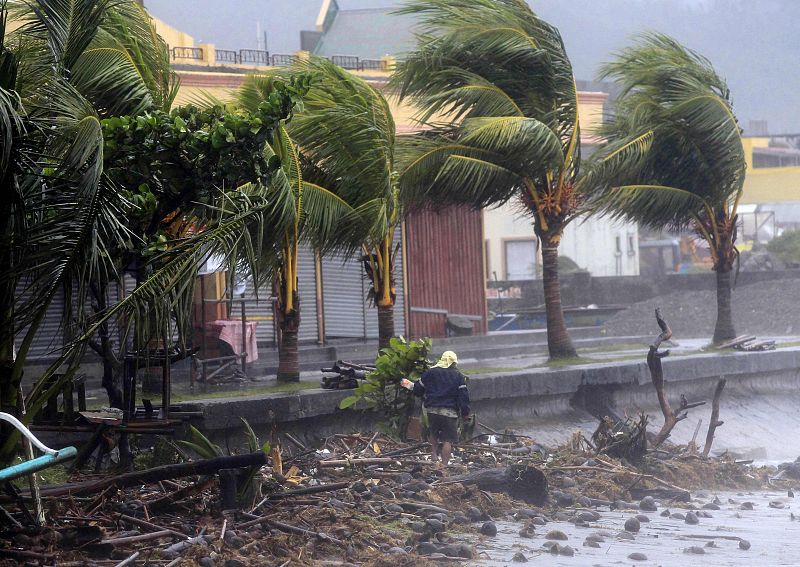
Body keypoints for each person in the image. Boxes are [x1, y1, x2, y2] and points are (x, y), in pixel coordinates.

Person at [401, 351, 471, 465]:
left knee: (433, 434)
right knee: (448, 440)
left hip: (432, 411)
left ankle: (433, 457)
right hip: (449, 413)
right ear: (454, 362)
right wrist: (465, 413)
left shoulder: (430, 372)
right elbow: (463, 397)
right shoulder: (459, 376)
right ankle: (443, 465)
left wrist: (405, 383)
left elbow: (418, 389)